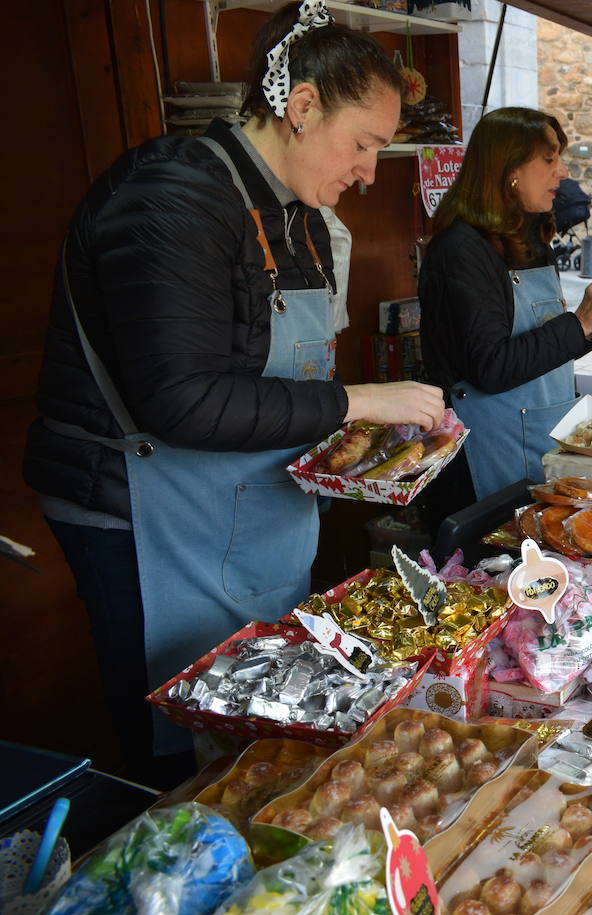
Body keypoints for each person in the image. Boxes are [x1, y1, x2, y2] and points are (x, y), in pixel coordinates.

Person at [21, 0, 444, 784]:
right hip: (146, 516)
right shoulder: (169, 202)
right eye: (364, 144)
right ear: (303, 106)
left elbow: (285, 378)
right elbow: (182, 402)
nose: (367, 171)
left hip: (251, 511)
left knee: (259, 720)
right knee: (182, 737)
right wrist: (359, 402)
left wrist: (368, 454)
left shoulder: (301, 213)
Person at [419, 107, 592, 520]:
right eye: (549, 159)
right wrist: (577, 323)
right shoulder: (461, 251)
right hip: (483, 460)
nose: (562, 172)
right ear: (509, 169)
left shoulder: (527, 237)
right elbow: (490, 366)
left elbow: (539, 349)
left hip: (541, 438)